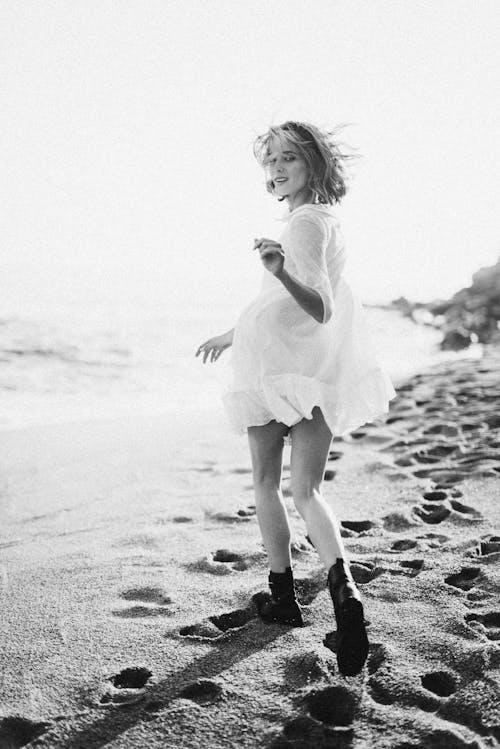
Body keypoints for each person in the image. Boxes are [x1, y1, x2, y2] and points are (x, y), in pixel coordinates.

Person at [195, 120, 397, 676]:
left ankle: (283, 598)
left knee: (267, 483)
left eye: (291, 158)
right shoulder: (322, 220)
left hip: (278, 374)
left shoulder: (304, 224)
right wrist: (231, 332)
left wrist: (280, 269)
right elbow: (279, 309)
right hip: (309, 370)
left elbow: (321, 307)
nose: (279, 168)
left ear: (314, 164)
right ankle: (345, 597)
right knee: (306, 490)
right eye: (273, 161)